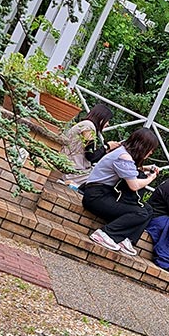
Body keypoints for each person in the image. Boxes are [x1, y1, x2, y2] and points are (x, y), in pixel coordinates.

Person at [82, 127, 159, 256]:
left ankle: (126, 240)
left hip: (103, 193)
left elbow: (131, 170)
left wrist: (145, 168)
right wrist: (150, 178)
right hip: (96, 196)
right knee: (140, 213)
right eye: (150, 149)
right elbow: (134, 185)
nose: (151, 152)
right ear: (142, 146)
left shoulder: (122, 152)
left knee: (148, 210)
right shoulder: (124, 157)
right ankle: (105, 234)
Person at [60, 104, 121, 185]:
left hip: (74, 168)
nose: (108, 124)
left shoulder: (86, 125)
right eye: (107, 120)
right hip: (72, 171)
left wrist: (107, 150)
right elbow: (90, 156)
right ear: (101, 118)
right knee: (105, 179)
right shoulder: (88, 126)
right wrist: (107, 146)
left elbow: (91, 155)